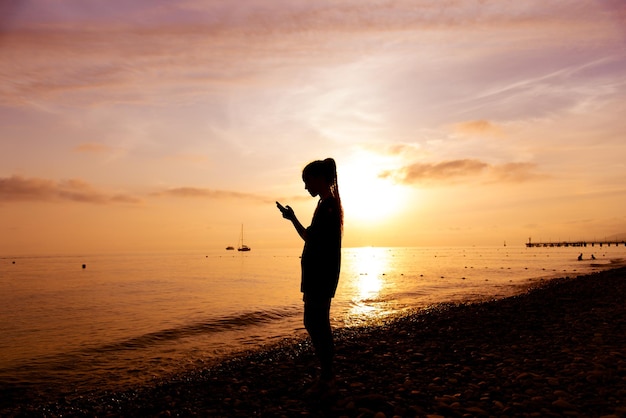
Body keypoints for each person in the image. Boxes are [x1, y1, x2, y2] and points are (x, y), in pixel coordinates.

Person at [277, 158, 343, 395]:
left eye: (307, 181)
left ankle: (327, 379)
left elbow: (314, 241)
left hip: (321, 276)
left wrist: (293, 220)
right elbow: (309, 237)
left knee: (317, 324)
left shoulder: (328, 207)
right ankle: (326, 376)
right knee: (315, 323)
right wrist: (292, 218)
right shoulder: (325, 205)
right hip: (318, 275)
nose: (306, 187)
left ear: (319, 178)